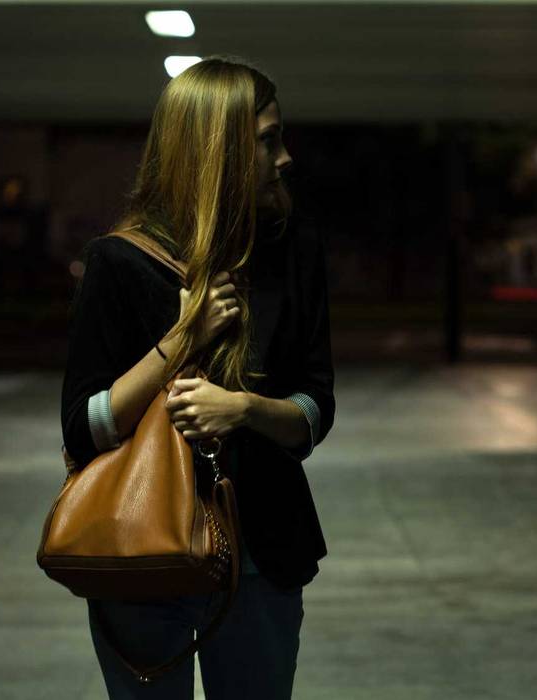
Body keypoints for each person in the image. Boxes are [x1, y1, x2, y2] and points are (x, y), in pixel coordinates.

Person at [59, 55, 334, 700]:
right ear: (219, 149)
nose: (285, 157)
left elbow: (316, 406)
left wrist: (241, 409)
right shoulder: (119, 263)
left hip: (264, 550)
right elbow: (85, 427)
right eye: (268, 140)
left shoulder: (293, 251)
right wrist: (184, 337)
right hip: (140, 548)